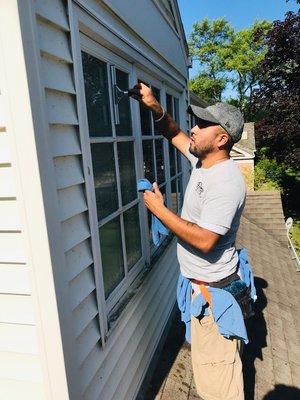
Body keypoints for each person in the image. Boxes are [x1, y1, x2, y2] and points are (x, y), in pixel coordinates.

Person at [129, 82, 246, 400]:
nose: (193, 128)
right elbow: (174, 132)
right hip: (202, 290)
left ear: (222, 139)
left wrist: (159, 210)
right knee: (211, 374)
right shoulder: (203, 162)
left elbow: (206, 240)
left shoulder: (225, 181)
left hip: (214, 298)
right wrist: (154, 105)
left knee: (219, 385)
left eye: (203, 125)